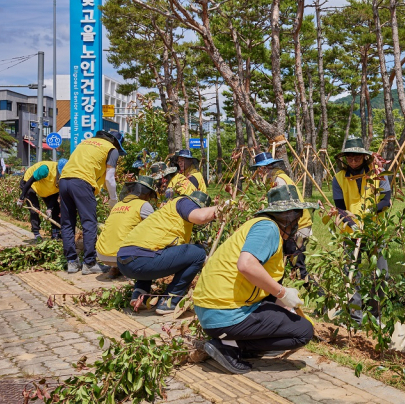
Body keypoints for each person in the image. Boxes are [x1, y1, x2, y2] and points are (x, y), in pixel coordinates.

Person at [194, 185, 317, 374]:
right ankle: (231, 346)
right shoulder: (269, 228)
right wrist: (282, 293)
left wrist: (285, 303)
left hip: (210, 311)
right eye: (287, 218)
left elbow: (259, 283)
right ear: (276, 216)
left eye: (295, 217)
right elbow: (246, 265)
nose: (291, 224)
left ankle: (231, 341)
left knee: (287, 316)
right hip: (224, 314)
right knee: (303, 332)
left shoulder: (257, 226)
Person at [117, 191, 219, 315]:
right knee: (198, 253)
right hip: (140, 261)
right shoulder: (184, 203)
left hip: (124, 261)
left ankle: (140, 295)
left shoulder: (166, 217)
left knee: (153, 252)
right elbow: (201, 217)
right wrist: (223, 207)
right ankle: (170, 301)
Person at [331, 136, 391, 324]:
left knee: (381, 274)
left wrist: (368, 216)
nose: (353, 161)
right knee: (351, 275)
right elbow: (340, 207)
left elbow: (386, 200)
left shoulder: (378, 174)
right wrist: (352, 223)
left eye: (357, 157)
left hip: (374, 232)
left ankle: (376, 315)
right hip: (351, 233)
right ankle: (355, 316)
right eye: (350, 158)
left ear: (365, 157)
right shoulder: (339, 178)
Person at [59, 130, 126, 275]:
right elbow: (109, 178)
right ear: (115, 142)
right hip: (82, 182)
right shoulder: (111, 149)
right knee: (89, 222)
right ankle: (89, 263)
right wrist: (113, 200)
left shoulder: (85, 143)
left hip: (64, 181)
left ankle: (71, 262)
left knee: (67, 223)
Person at [250, 152, 314, 285]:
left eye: (260, 169)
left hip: (297, 225)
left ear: (265, 168)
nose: (259, 173)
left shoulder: (279, 180)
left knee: (298, 265)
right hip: (291, 224)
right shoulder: (276, 177)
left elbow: (284, 207)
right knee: (287, 262)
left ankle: (318, 293)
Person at [96, 175, 158, 271]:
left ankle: (115, 268)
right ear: (146, 193)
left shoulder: (118, 205)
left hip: (102, 254)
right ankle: (131, 270)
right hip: (122, 256)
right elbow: (156, 228)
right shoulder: (143, 205)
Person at [17, 159, 68, 243]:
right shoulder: (45, 170)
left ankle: (55, 232)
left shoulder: (63, 178)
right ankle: (36, 233)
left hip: (45, 187)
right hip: (30, 184)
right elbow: (29, 181)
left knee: (55, 208)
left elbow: (55, 194)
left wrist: (49, 208)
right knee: (35, 209)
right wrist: (21, 198)